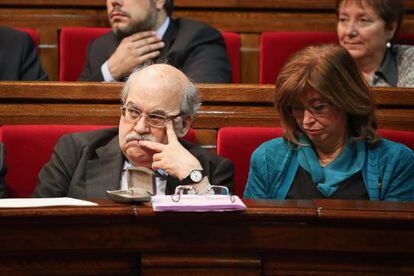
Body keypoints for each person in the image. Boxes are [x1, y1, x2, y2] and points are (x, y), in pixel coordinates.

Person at [32, 63, 234, 198]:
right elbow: (36, 225)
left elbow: (222, 241)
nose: (139, 127)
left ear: (183, 125)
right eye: (133, 111)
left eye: (156, 117)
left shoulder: (211, 169)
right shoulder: (76, 152)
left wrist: (193, 178)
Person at [244, 44, 414, 201]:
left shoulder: (396, 162)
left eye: (318, 107)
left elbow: (393, 233)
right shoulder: (268, 158)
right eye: (296, 109)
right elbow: (256, 230)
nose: (306, 121)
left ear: (347, 101)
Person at [78, 0, 232, 83]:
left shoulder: (199, 38)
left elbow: (203, 99)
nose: (114, 2)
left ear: (159, 1)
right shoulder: (99, 46)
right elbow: (73, 104)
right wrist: (110, 71)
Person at [336, 0, 414, 87]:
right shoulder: (325, 67)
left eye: (363, 20)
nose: (349, 31)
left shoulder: (409, 61)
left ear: (390, 28)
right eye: (343, 19)